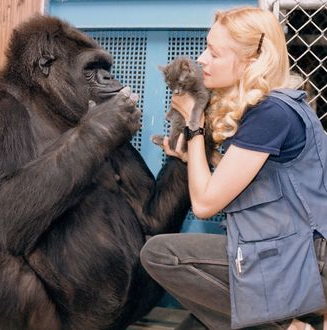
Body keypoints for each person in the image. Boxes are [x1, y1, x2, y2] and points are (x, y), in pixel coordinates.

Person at [140, 6, 327, 330]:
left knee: (160, 254)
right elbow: (254, 182)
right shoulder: (278, 104)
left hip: (306, 260)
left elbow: (205, 203)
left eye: (214, 52)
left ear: (252, 62)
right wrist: (193, 158)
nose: (201, 59)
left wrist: (194, 119)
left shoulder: (271, 114)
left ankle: (291, 326)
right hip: (293, 251)